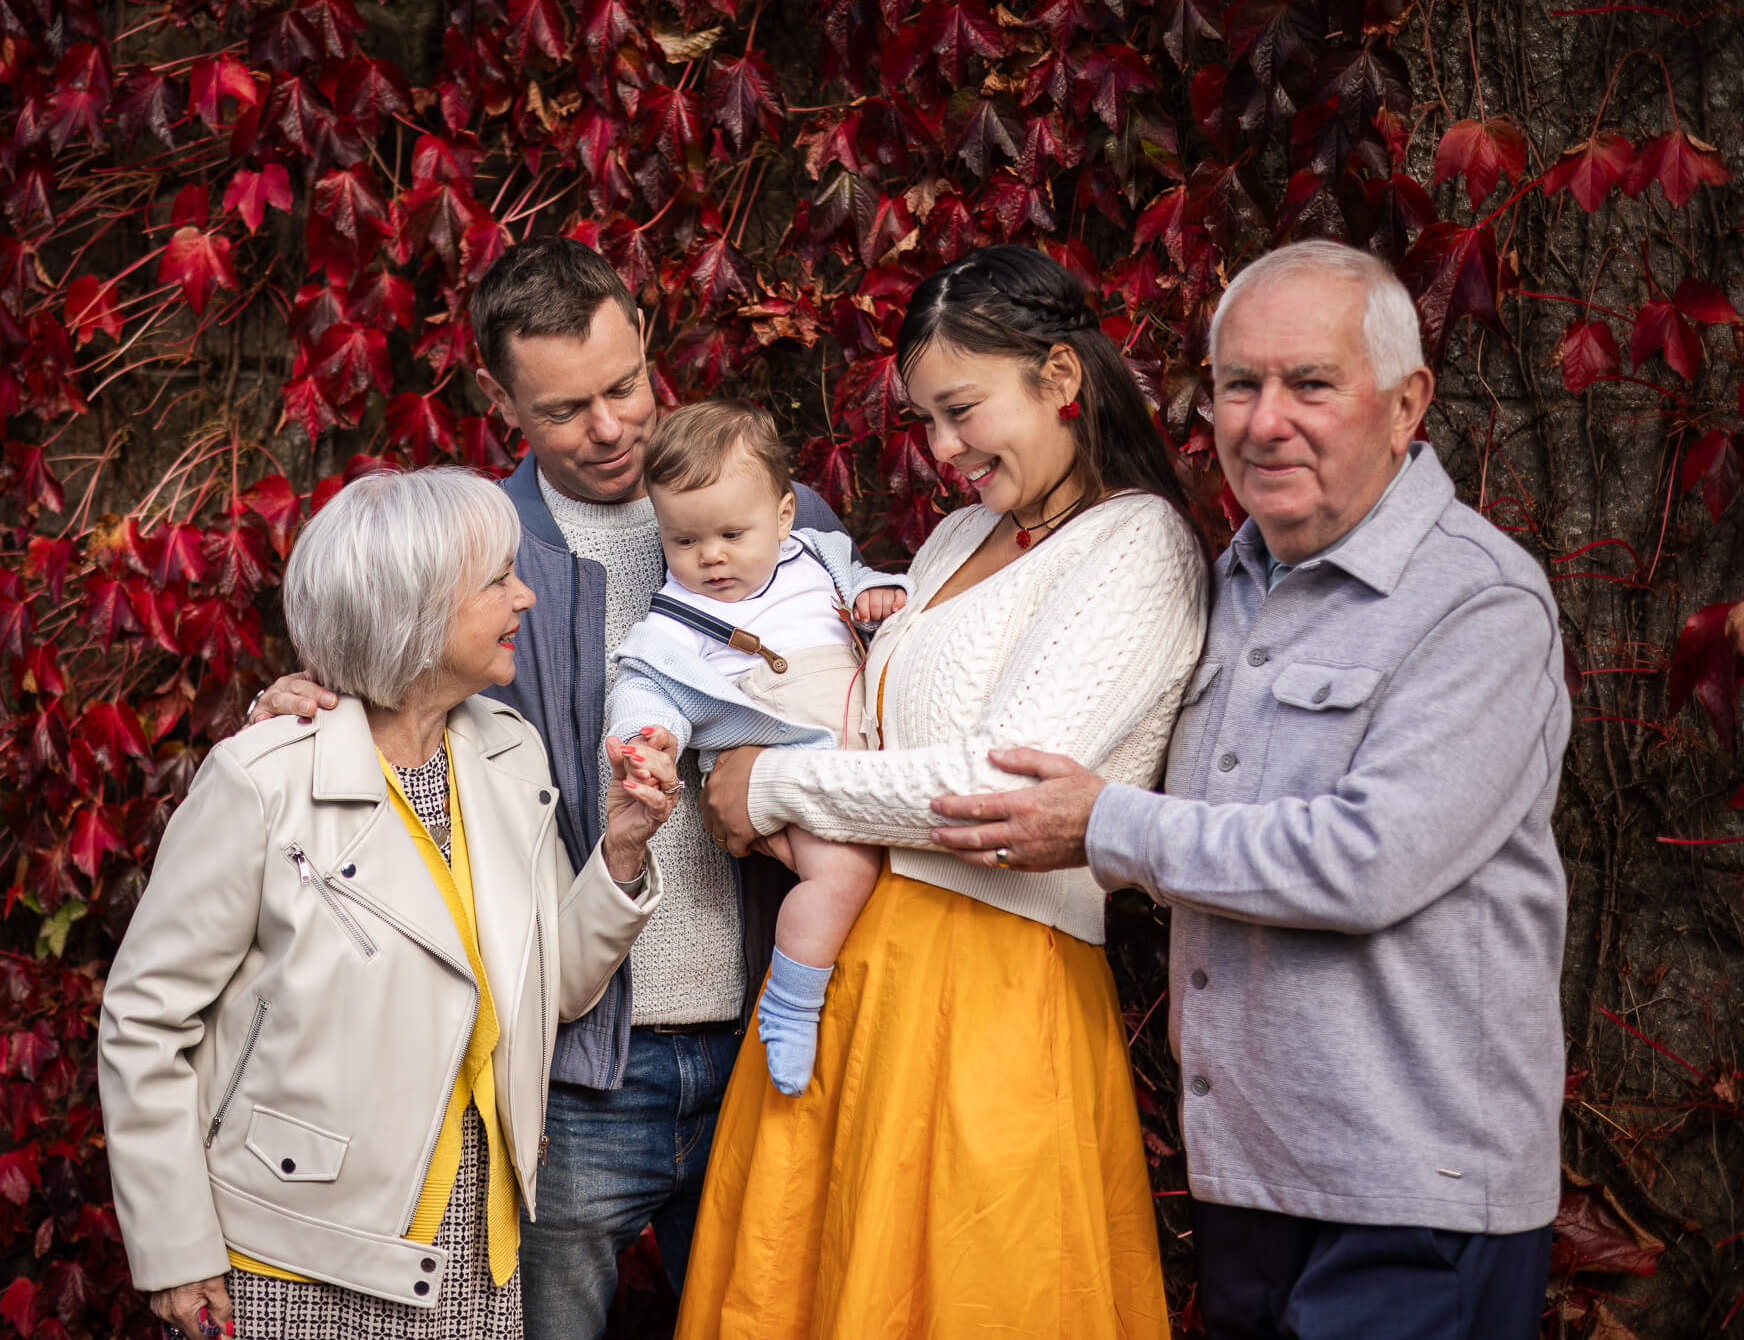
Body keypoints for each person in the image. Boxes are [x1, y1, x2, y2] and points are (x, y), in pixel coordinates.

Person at [927, 240, 1571, 1339]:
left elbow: (1367, 860)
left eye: (1309, 383)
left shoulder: (1477, 605)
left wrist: (1103, 825)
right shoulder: (1222, 584)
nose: (1263, 420)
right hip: (1247, 1180)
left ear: (1405, 403)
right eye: (1237, 384)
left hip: (1413, 1195)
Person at [244, 237, 849, 1338]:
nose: (611, 427)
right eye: (566, 408)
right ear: (495, 397)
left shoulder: (769, 515)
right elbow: (383, 696)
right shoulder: (474, 551)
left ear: (648, 346)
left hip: (770, 1036)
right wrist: (306, 703)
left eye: (624, 387)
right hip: (575, 1071)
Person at [683, 244, 1210, 1338]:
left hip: (992, 986)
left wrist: (771, 783)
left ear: (1059, 379)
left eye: (961, 411)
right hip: (856, 980)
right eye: (926, 420)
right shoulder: (964, 534)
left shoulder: (1136, 545)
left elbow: (993, 789)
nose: (942, 450)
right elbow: (869, 730)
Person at [98, 468, 677, 1340]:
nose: (523, 594)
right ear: (411, 606)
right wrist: (176, 1248)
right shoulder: (262, 779)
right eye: (496, 580)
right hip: (299, 1253)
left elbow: (552, 985)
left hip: (480, 1250)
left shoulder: (508, 752)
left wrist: (623, 850)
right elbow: (145, 1018)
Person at [605, 398, 909, 1096]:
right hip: (782, 762)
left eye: (731, 534)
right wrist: (647, 740)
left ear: (783, 515)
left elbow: (860, 585)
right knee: (842, 875)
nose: (709, 557)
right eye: (683, 541)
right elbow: (649, 683)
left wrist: (881, 594)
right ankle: (792, 1003)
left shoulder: (817, 556)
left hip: (859, 754)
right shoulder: (684, 616)